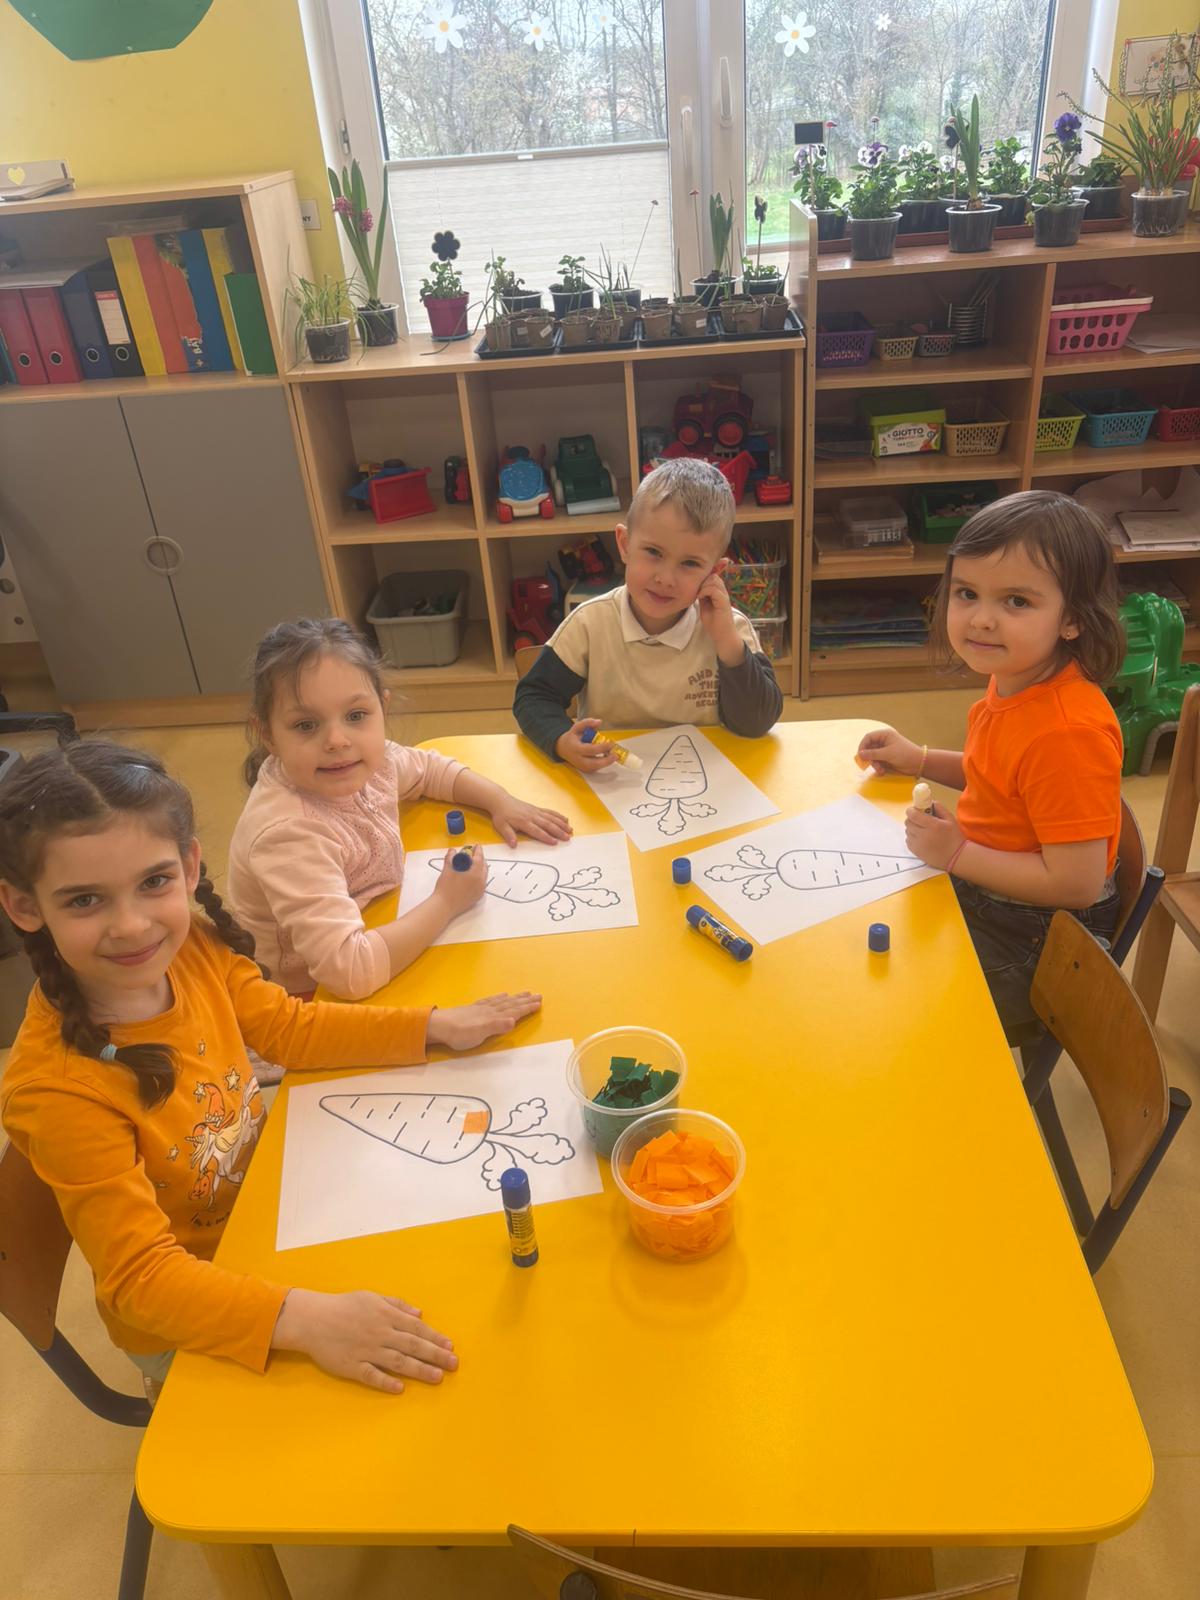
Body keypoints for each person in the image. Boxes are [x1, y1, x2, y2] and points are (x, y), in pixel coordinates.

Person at [0, 740, 540, 1394]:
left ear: (189, 865)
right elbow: (141, 1281)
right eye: (85, 900)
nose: (132, 925)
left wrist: (432, 1027)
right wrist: (305, 1319)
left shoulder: (190, 951)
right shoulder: (59, 1090)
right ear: (24, 905)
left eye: (153, 882)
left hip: (272, 1216)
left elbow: (288, 1030)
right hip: (195, 1311)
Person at [856, 491, 1125, 1039]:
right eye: (967, 593)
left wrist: (957, 853)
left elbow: (1076, 883)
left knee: (893, 1008)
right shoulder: (1017, 677)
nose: (981, 619)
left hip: (1039, 933)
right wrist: (919, 759)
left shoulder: (1066, 733)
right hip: (994, 888)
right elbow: (998, 775)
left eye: (1016, 601)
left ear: (1073, 619)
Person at [228, 618, 571, 1003]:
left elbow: (430, 770)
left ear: (382, 707)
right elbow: (349, 972)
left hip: (376, 922)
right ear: (269, 735)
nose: (338, 741)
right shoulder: (288, 834)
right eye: (306, 725)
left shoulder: (372, 761)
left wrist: (499, 800)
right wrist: (447, 901)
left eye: (356, 716)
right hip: (303, 995)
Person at [514, 457, 782, 771]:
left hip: (703, 776)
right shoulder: (590, 624)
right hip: (611, 778)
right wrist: (561, 739)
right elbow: (534, 696)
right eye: (654, 552)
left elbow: (756, 723)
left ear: (715, 572)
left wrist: (727, 643)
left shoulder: (730, 629)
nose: (665, 578)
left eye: (690, 563)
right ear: (625, 545)